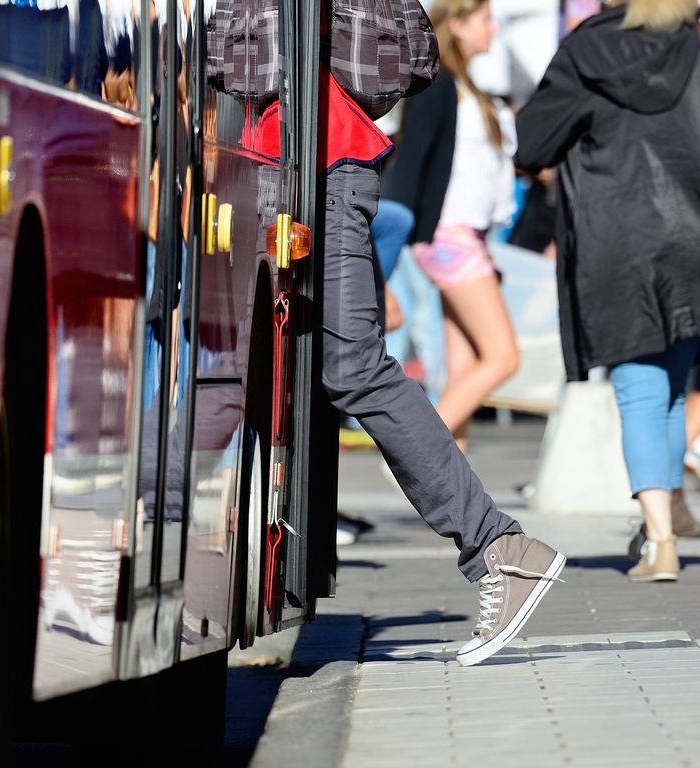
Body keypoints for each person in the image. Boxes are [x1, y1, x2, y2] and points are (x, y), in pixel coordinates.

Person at [223, 0, 565, 665]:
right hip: (302, 163)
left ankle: (501, 548)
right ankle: (151, 521)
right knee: (261, 367)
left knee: (345, 367)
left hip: (312, 164)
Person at [515, 0, 700, 582]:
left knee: (638, 390)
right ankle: (661, 524)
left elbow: (534, 145)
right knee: (670, 392)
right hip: (694, 235)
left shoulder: (585, 48)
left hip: (616, 239)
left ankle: (660, 538)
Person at [383, 0, 520, 454]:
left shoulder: (467, 87)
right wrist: (395, 240)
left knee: (465, 371)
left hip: (467, 234)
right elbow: (413, 161)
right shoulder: (438, 85)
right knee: (502, 356)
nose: (493, 30)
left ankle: (457, 498)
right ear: (457, 26)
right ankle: (418, 449)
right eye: (484, 21)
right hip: (450, 235)